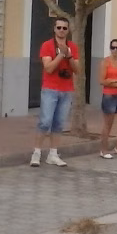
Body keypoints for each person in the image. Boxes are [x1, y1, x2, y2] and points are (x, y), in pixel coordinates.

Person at [30, 17, 78, 168]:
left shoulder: (72, 47)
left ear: (68, 30)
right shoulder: (47, 45)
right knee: (45, 122)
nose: (61, 30)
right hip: (50, 89)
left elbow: (77, 69)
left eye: (65, 28)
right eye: (59, 28)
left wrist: (69, 56)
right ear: (54, 29)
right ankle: (36, 153)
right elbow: (49, 68)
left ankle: (53, 154)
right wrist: (61, 55)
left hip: (67, 90)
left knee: (59, 123)